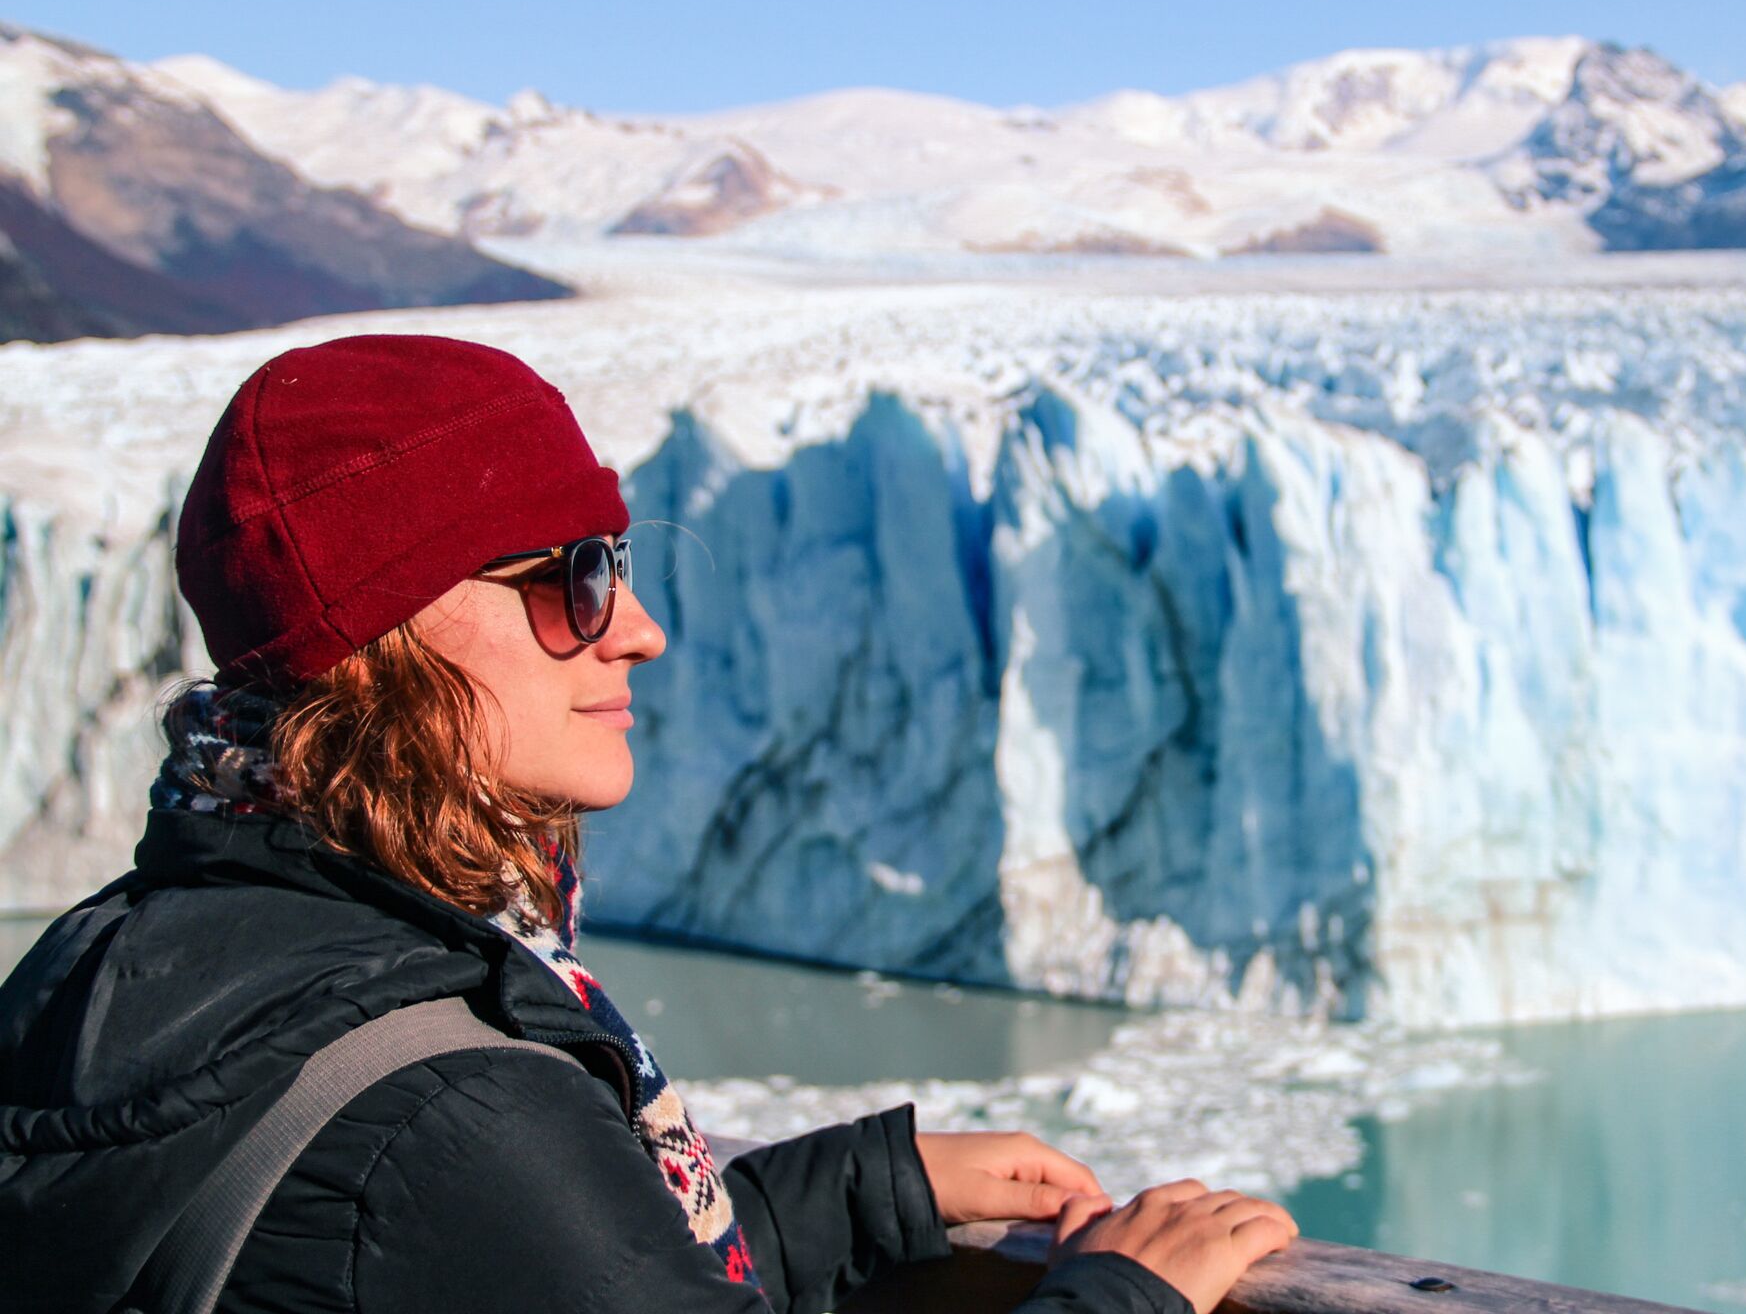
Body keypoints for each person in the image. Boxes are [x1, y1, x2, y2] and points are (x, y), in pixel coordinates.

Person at [0, 333, 1298, 1314]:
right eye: (572, 577)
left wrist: (860, 1192)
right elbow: (480, 1215)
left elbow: (558, 1274)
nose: (637, 627)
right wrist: (1121, 1294)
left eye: (615, 565)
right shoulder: (448, 1115)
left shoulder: (110, 957)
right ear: (380, 631)